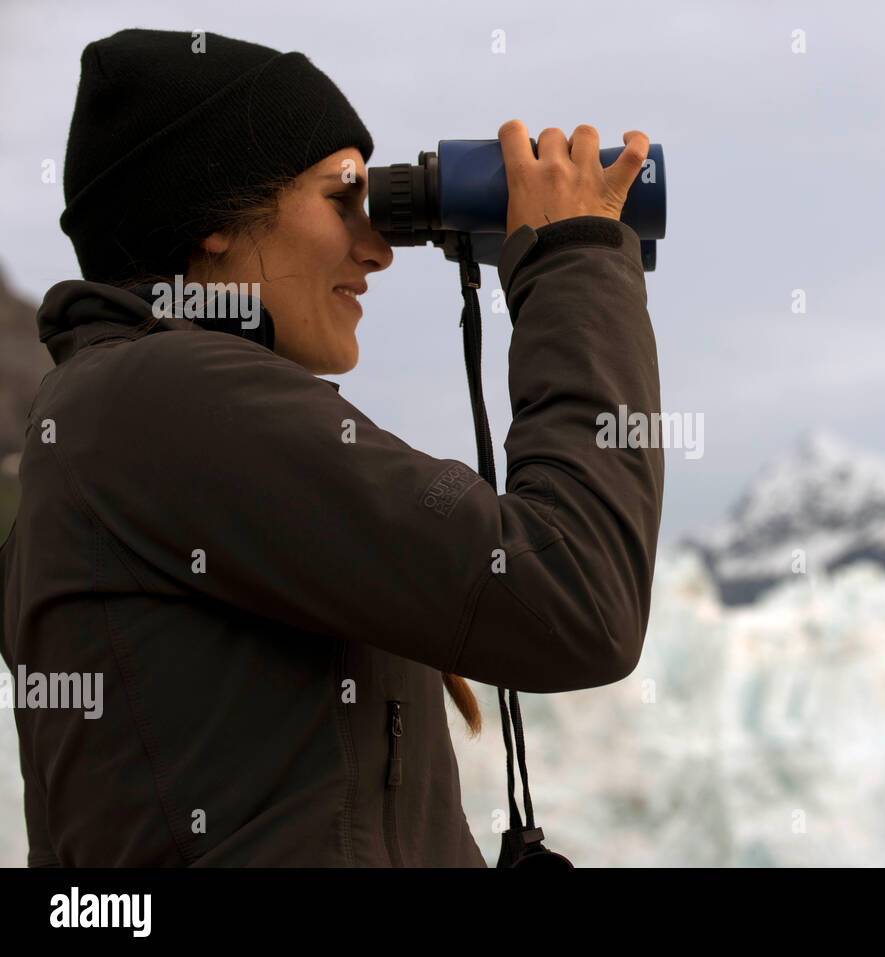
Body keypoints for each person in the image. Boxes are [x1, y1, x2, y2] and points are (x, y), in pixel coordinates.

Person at [0, 28, 663, 866]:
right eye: (340, 197)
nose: (379, 249)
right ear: (214, 214)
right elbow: (576, 594)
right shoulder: (163, 398)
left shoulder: (139, 418)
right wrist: (574, 262)